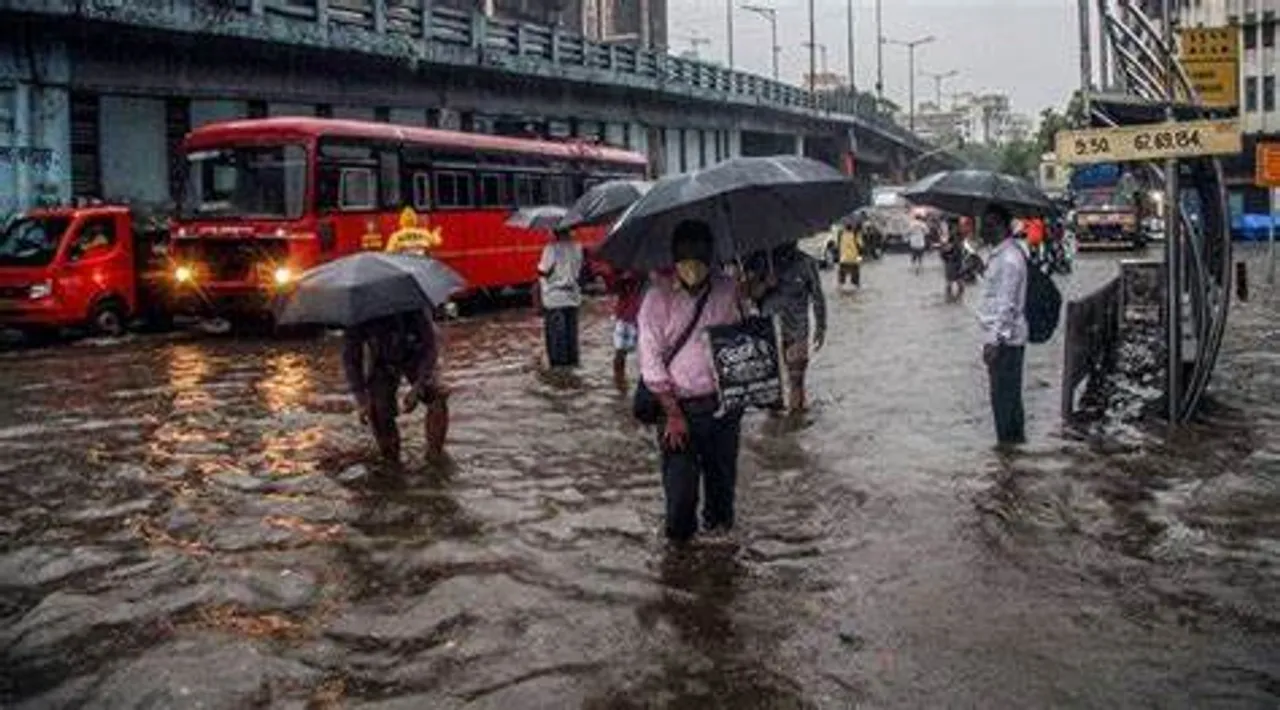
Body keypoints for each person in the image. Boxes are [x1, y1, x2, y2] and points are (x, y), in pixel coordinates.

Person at [638, 220, 744, 544]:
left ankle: (719, 571)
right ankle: (679, 568)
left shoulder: (728, 289)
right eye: (685, 254)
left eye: (699, 253)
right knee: (680, 504)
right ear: (673, 257)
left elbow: (742, 342)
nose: (693, 263)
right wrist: (671, 413)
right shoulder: (657, 299)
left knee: (722, 498)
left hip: (723, 409)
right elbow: (650, 361)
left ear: (711, 254)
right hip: (678, 411)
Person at [343, 310, 449, 462]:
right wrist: (361, 400)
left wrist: (418, 387)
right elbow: (351, 360)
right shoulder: (359, 313)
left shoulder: (411, 305)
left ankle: (435, 455)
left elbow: (430, 347)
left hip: (416, 353)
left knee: (437, 394)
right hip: (382, 361)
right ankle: (391, 459)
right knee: (377, 409)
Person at [751, 243, 827, 414]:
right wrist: (765, 284)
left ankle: (796, 426)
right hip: (768, 333)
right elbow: (749, 295)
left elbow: (818, 297)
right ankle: (776, 427)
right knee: (772, 386)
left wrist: (821, 327)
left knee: (796, 380)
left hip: (797, 331)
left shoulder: (806, 263)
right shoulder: (761, 260)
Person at [977, 205, 1028, 448]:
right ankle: (1013, 453)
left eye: (985, 224)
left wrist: (995, 341)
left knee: (1004, 400)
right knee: (1006, 399)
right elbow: (994, 295)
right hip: (1002, 338)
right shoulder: (1002, 255)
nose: (981, 229)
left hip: (1005, 341)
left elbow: (1007, 305)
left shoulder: (1009, 259)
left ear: (997, 224)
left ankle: (1009, 449)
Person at [536, 229, 585, 368]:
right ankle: (572, 370)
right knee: (571, 339)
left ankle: (560, 377)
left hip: (554, 299)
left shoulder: (550, 249)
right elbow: (579, 271)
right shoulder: (578, 247)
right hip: (572, 298)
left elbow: (543, 270)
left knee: (557, 342)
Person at [610, 269, 645, 394]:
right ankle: (620, 386)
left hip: (646, 316)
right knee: (620, 354)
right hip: (626, 316)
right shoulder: (624, 267)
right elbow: (613, 288)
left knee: (648, 356)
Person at [837, 220, 863, 289]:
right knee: (855, 278)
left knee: (842, 279)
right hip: (853, 260)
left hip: (843, 259)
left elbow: (838, 245)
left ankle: (841, 288)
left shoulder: (841, 234)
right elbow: (860, 246)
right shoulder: (855, 234)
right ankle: (855, 286)